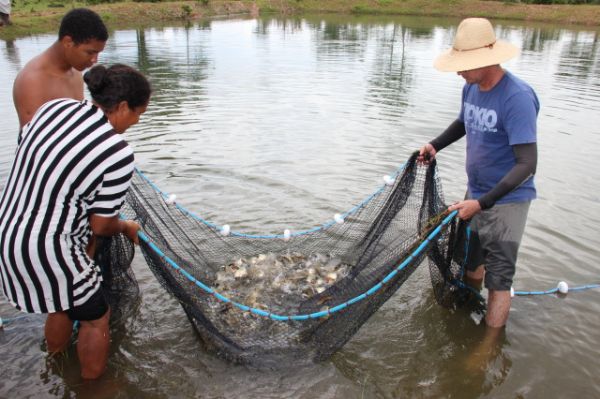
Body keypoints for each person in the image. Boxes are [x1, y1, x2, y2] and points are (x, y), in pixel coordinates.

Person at [0, 63, 151, 379]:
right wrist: (126, 226)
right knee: (96, 316)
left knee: (62, 301)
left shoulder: (55, 109)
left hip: (9, 230)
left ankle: (54, 365)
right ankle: (92, 387)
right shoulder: (117, 151)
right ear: (121, 107)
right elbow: (101, 225)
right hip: (49, 247)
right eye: (138, 113)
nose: (137, 122)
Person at [418, 18, 539, 330]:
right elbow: (463, 122)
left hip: (506, 201)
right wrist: (435, 145)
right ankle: (466, 311)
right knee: (470, 261)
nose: (459, 71)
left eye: (465, 65)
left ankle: (487, 347)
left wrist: (482, 204)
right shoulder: (471, 88)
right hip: (476, 193)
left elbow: (527, 163)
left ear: (486, 61)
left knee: (499, 278)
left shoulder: (517, 98)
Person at [12, 8, 108, 128]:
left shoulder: (76, 73)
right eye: (90, 53)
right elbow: (31, 139)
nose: (95, 60)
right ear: (68, 42)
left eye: (98, 53)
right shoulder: (33, 80)